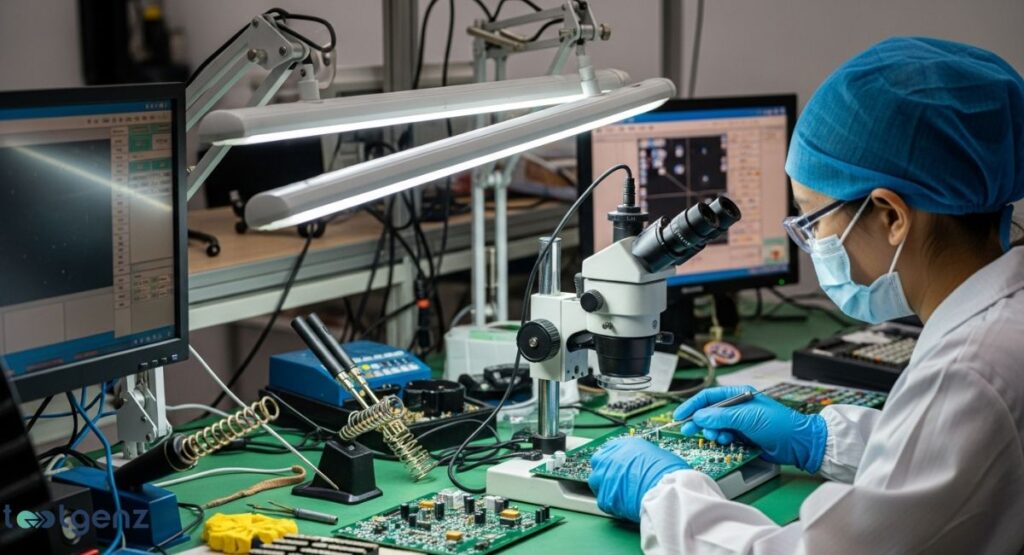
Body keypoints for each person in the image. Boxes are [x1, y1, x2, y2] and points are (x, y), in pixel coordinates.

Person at [587, 36, 1024, 554]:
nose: (811, 242)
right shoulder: (997, 328)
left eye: (812, 219)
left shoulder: (967, 374)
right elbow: (939, 462)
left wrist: (666, 492)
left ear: (891, 217)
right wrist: (818, 438)